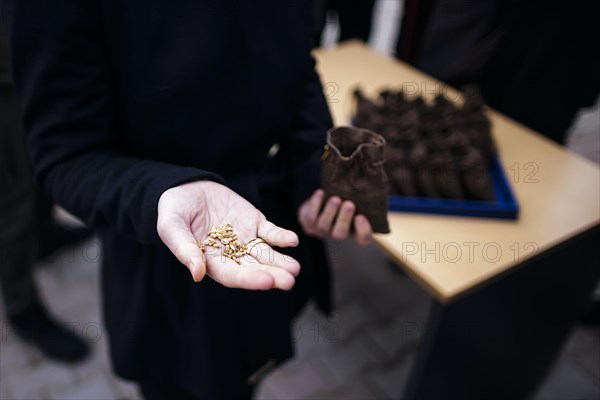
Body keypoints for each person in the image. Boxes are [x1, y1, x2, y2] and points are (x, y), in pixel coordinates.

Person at [4, 1, 373, 398]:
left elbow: (300, 65)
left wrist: (312, 172)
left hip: (265, 232)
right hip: (170, 262)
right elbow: (68, 155)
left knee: (251, 375)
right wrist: (162, 192)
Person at [0, 32, 90, 363]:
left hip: (25, 62)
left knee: (40, 163)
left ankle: (44, 234)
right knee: (11, 201)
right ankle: (21, 306)